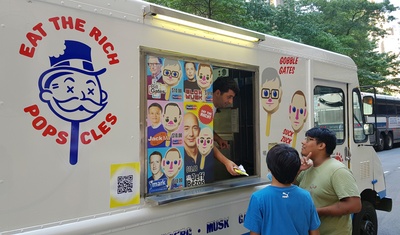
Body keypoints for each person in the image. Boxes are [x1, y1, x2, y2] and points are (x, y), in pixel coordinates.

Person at [296, 127, 362, 235]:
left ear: (321, 145)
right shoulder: (308, 168)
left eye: (309, 140)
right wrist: (298, 170)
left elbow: (355, 205)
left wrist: (316, 212)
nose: (303, 142)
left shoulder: (338, 171)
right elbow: (291, 187)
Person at [244, 144, 320, 235]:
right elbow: (314, 232)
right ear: (296, 169)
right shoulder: (305, 196)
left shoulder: (259, 198)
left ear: (269, 168)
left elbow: (254, 233)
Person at [212, 77, 240, 175]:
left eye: (232, 98)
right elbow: (204, 141)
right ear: (218, 93)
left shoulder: (213, 108)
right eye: (229, 97)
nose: (231, 102)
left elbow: (206, 131)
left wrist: (218, 139)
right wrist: (226, 162)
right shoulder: (205, 108)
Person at [183, 112, 214, 186]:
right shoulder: (178, 158)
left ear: (199, 131)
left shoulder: (209, 153)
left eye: (195, 128)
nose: (191, 134)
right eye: (186, 129)